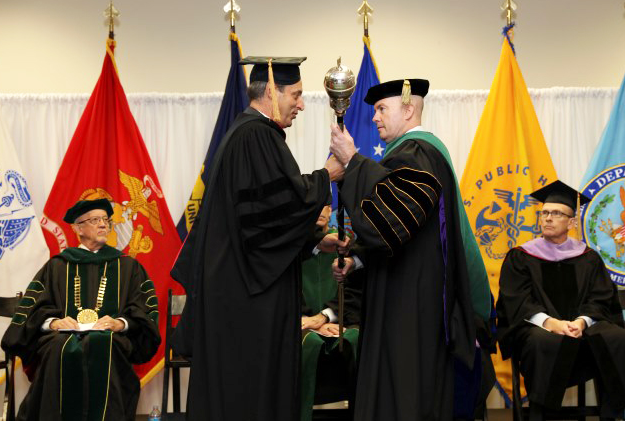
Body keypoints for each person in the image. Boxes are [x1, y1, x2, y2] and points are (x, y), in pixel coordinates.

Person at [170, 56, 347, 421]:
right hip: (246, 301)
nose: (301, 104)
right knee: (247, 392)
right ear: (271, 90)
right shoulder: (255, 136)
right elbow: (277, 208)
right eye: (296, 95)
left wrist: (315, 241)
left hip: (236, 290)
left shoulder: (246, 132)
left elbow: (262, 224)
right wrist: (326, 176)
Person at [329, 79, 485, 420]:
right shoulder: (413, 154)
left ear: (409, 109)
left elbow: (390, 220)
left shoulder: (418, 153)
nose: (374, 118)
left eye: (382, 109)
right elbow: (403, 227)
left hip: (413, 301)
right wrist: (356, 260)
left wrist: (353, 161)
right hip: (407, 289)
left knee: (405, 385)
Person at [495, 180, 625, 419]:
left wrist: (582, 322)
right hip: (540, 330)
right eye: (544, 212)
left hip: (580, 329)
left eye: (556, 213)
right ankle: (541, 414)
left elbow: (601, 298)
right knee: (542, 341)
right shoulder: (522, 256)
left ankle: (613, 413)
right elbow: (517, 300)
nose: (547, 218)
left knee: (617, 337)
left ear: (572, 222)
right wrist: (551, 324)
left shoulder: (588, 258)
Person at [1, 198, 161, 421]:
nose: (103, 224)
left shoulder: (128, 266)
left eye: (106, 220)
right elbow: (34, 309)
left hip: (111, 339)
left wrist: (120, 323)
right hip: (60, 339)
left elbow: (143, 310)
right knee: (59, 345)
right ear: (77, 228)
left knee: (104, 343)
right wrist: (53, 323)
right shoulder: (57, 266)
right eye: (95, 220)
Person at [299, 204, 362, 421]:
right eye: (311, 204)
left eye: (323, 205)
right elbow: (286, 291)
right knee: (310, 342)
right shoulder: (294, 251)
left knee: (356, 338)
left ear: (330, 210)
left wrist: (327, 315)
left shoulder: (346, 250)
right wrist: (310, 320)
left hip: (339, 320)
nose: (318, 210)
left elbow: (354, 293)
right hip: (303, 322)